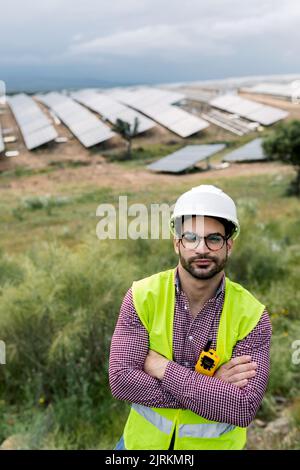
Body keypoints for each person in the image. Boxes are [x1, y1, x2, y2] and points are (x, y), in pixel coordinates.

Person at [109, 185, 272, 450]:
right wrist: (211, 386)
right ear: (177, 243)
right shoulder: (142, 296)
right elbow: (122, 382)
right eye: (191, 237)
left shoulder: (252, 316)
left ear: (229, 244)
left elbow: (243, 407)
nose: (202, 249)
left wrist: (162, 368)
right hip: (139, 447)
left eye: (214, 239)